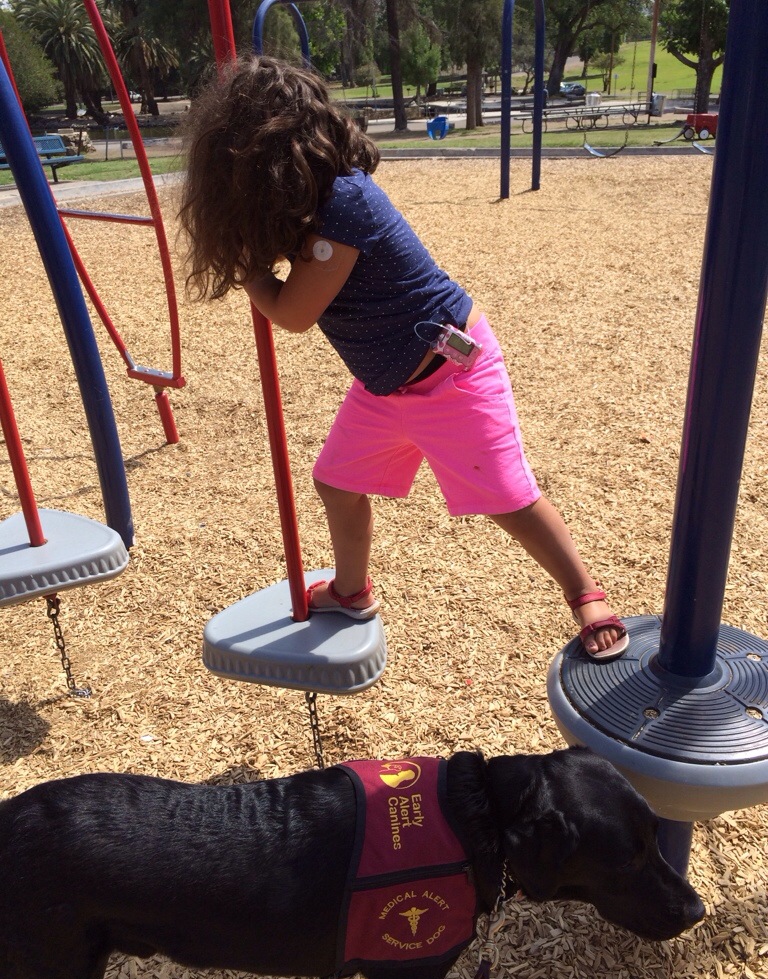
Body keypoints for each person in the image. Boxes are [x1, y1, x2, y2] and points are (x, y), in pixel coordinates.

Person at [179, 55, 628, 662]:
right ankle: (351, 590)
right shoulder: (310, 208)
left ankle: (584, 593)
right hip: (384, 386)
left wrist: (250, 270)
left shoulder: (345, 203)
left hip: (453, 375)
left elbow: (293, 312)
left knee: (508, 496)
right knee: (337, 482)